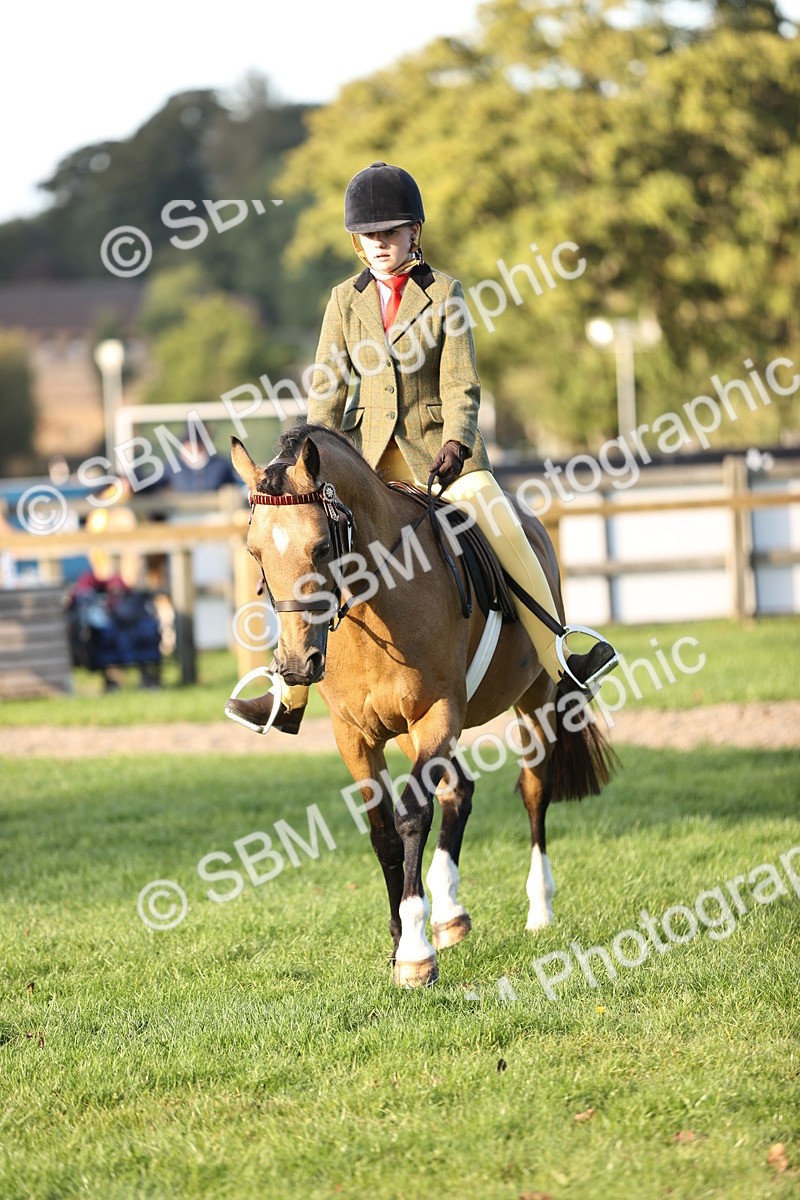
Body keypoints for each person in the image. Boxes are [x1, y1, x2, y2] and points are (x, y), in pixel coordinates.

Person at [226, 161, 617, 735]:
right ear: (356, 243)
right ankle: (287, 696)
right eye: (370, 235)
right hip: (363, 459)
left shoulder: (445, 294)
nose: (381, 244)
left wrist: (459, 440)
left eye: (391, 231)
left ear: (414, 233)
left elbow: (462, 382)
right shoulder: (343, 301)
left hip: (441, 451)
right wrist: (307, 458)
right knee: (302, 552)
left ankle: (560, 655)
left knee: (504, 524)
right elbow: (328, 387)